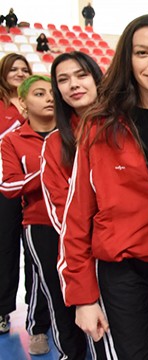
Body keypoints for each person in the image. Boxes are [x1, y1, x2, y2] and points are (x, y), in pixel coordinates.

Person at [58, 14, 148, 358]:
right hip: (123, 271)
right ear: (127, 59)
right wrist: (83, 298)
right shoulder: (99, 125)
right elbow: (76, 216)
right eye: (142, 53)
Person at [1, 74, 94, 358]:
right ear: (23, 103)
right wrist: (46, 173)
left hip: (82, 225)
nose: (50, 98)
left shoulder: (75, 133)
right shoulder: (12, 141)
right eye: (39, 94)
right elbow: (8, 185)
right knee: (53, 288)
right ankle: (45, 333)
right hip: (41, 225)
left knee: (87, 292)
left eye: (51, 93)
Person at [0, 54, 51, 351]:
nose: (19, 72)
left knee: (43, 262)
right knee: (7, 248)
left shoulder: (55, 123)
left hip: (48, 208)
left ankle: (53, 318)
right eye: (13, 69)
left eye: (24, 69)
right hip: (14, 189)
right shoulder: (15, 126)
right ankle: (7, 310)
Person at [42, 51, 102, 236]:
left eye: (82, 75)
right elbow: (60, 205)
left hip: (137, 246)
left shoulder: (127, 126)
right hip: (87, 247)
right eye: (63, 80)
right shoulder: (54, 143)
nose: (74, 85)